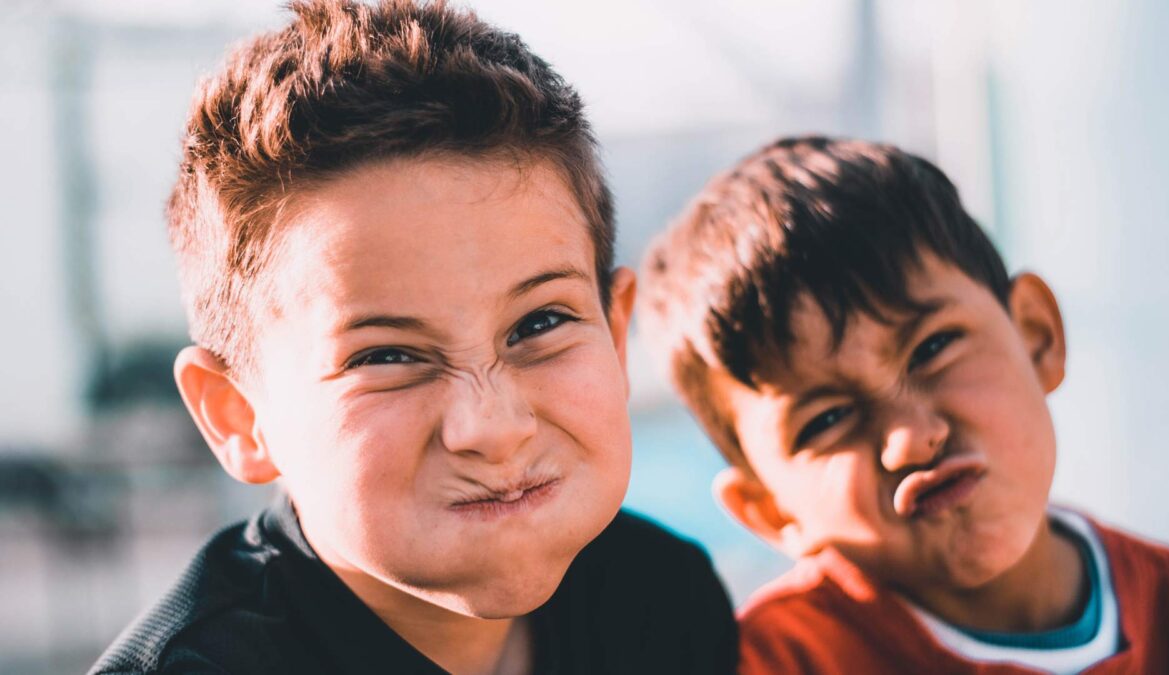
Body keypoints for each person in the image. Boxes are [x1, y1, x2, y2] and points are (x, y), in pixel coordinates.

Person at [90, 2, 737, 673]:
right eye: (386, 355)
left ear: (616, 331)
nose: (492, 426)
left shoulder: (663, 602)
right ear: (239, 416)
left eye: (539, 323)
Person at [637, 135, 1169, 674]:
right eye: (827, 419)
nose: (910, 438)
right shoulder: (769, 664)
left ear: (1036, 336)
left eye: (933, 348)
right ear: (770, 511)